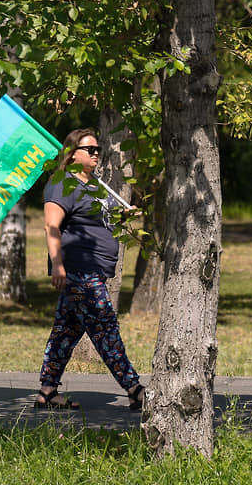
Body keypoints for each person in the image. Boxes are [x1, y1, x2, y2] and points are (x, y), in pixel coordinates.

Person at [34, 128, 146, 411]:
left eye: (98, 149)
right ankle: (135, 389)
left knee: (66, 331)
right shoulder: (63, 184)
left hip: (93, 269)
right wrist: (57, 264)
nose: (97, 154)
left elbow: (99, 224)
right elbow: (52, 226)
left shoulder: (95, 185)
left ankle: (47, 391)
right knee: (105, 328)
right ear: (72, 154)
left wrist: (123, 217)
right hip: (79, 270)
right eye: (90, 150)